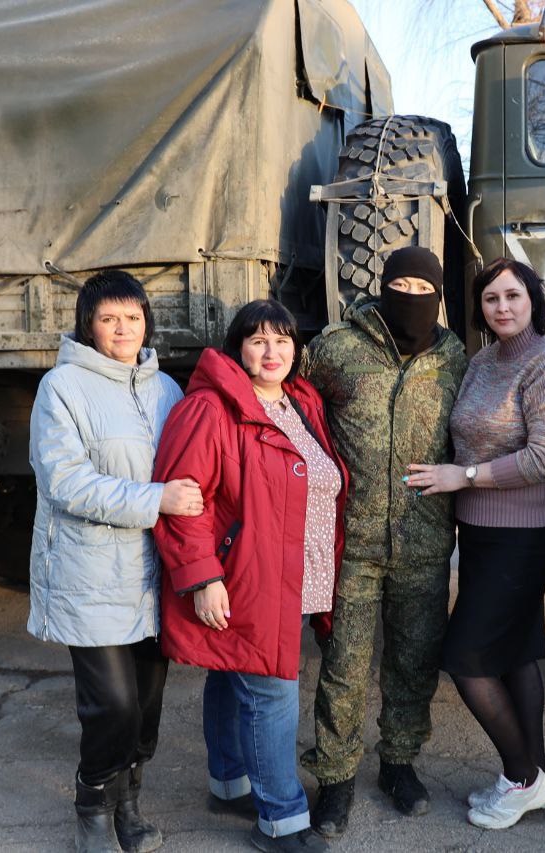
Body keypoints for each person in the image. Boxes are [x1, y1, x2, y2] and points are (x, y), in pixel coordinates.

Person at [152, 300, 347, 853]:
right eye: (259, 340)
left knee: (231, 674)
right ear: (238, 347)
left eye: (282, 340)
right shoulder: (211, 410)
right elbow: (187, 500)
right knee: (272, 690)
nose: (272, 352)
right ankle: (282, 820)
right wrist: (202, 577)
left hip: (297, 572)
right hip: (244, 575)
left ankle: (229, 780)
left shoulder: (300, 401)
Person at [405, 257, 545, 831]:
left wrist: (468, 476)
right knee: (516, 651)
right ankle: (535, 777)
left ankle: (524, 777)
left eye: (513, 296)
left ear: (533, 299)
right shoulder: (482, 360)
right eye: (490, 299)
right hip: (480, 532)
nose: (502, 307)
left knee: (469, 659)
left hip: (524, 534)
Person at [299, 246, 468, 838]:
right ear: (381, 288)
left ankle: (399, 762)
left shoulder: (454, 355)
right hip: (353, 541)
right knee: (343, 665)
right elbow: (292, 407)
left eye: (424, 290)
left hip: (424, 541)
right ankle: (336, 777)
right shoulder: (336, 347)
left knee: (413, 661)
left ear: (439, 295)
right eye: (400, 286)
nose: (412, 299)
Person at [28, 270, 197, 853]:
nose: (123, 328)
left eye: (132, 316)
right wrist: (157, 500)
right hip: (90, 574)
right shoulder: (62, 387)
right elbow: (66, 484)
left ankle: (130, 804)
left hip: (154, 577)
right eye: (108, 318)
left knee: (146, 709)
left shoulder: (165, 389)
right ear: (89, 326)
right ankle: (92, 802)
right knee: (113, 706)